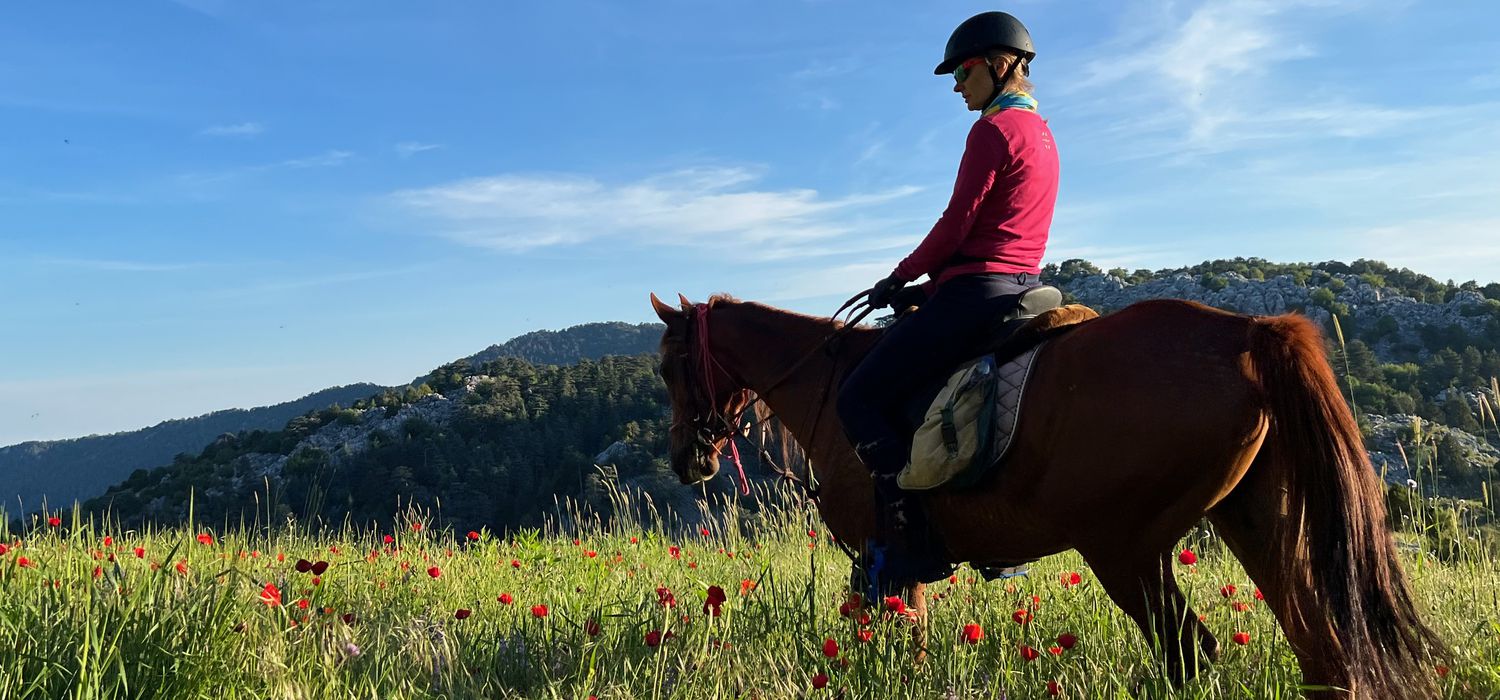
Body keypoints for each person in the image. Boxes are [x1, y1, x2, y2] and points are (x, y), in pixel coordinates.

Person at [835, 11, 1060, 588]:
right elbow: (996, 230)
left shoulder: (991, 132)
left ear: (1000, 64)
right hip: (1020, 286)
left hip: (976, 291)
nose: (957, 86)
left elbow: (957, 224)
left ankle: (912, 538)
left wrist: (898, 276)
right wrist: (925, 288)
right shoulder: (1043, 134)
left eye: (963, 72)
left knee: (858, 397)